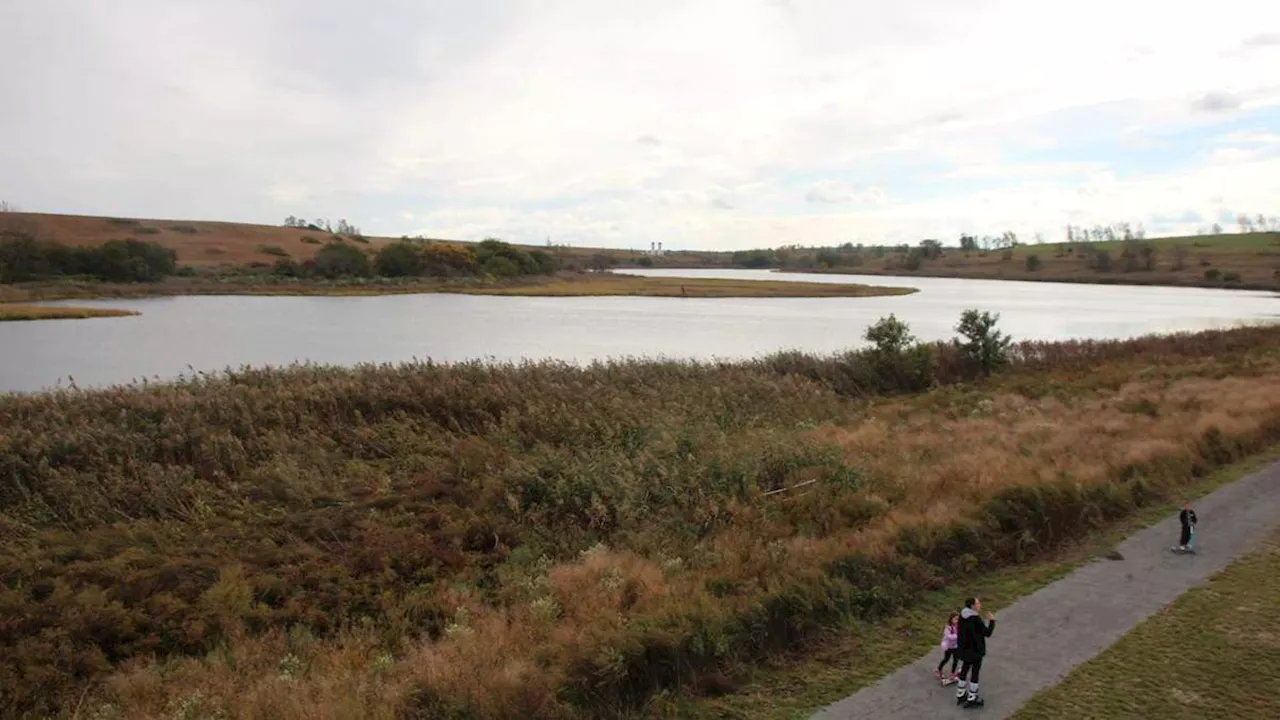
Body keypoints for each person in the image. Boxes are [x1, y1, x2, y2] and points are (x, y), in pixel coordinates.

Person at [954, 597, 996, 709]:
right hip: (976, 650)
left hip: (964, 650)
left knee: (964, 670)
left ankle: (960, 694)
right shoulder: (975, 619)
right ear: (972, 606)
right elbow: (987, 633)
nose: (980, 604)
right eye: (978, 603)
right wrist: (992, 621)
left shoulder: (962, 616)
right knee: (975, 672)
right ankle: (972, 698)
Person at [933, 612, 960, 684]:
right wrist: (958, 635)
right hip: (949, 646)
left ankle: (953, 673)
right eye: (956, 619)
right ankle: (939, 670)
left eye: (958, 619)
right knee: (946, 659)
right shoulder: (948, 627)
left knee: (956, 660)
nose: (957, 620)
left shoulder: (958, 626)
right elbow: (949, 637)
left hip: (956, 646)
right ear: (951, 619)